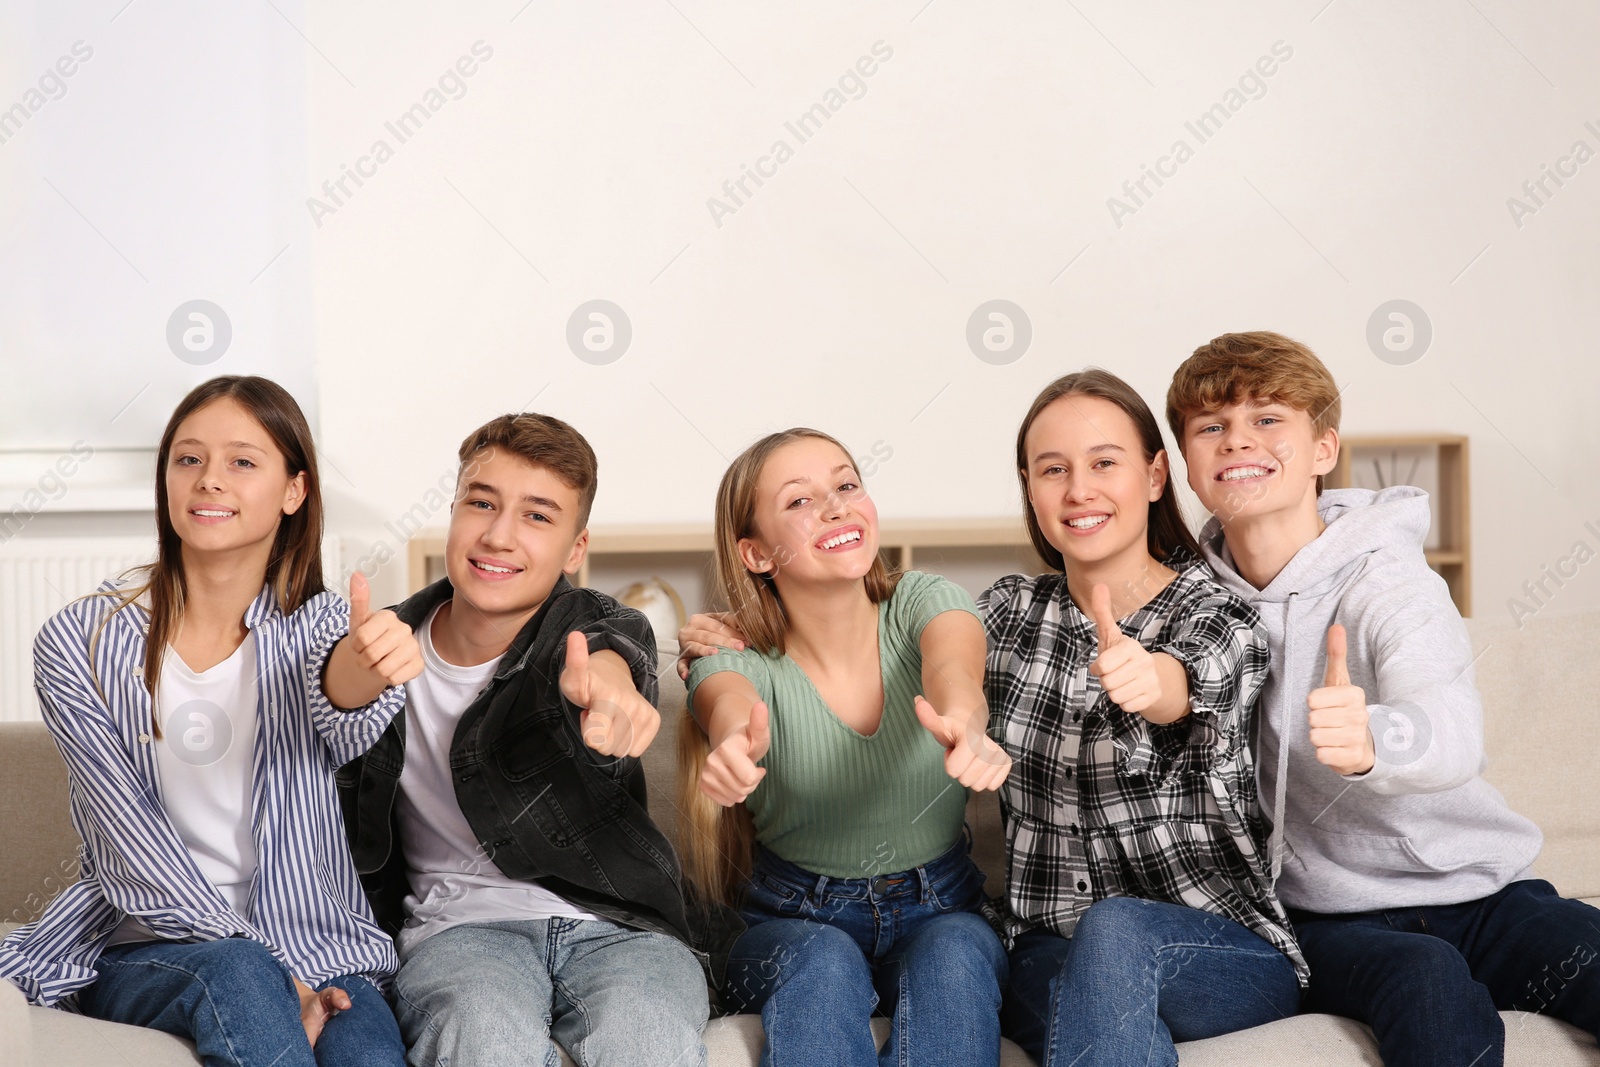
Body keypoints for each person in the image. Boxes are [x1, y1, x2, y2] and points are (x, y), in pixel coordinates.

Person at [1166, 330, 1600, 1067]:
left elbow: (1455, 727)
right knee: (1427, 981)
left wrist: (1376, 738)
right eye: (1212, 426)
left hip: (1484, 892)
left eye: (1268, 418)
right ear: (1189, 465)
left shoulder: (1388, 581)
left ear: (1325, 448)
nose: (1238, 438)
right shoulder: (1190, 607)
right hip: (1330, 917)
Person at [0, 376, 407, 1067]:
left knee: (366, 1054)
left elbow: (340, 706)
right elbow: (130, 848)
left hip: (320, 944)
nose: (209, 480)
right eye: (188, 459)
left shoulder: (325, 629)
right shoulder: (78, 642)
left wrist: (362, 676)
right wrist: (279, 975)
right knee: (243, 974)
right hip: (145, 946)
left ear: (294, 491)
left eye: (242, 462)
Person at [327, 413, 738, 1067]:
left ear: (576, 548)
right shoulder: (386, 647)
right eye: (481, 502)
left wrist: (611, 695)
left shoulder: (594, 626)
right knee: (484, 1041)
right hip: (459, 933)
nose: (499, 534)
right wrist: (347, 674)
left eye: (538, 516)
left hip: (620, 927)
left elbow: (612, 656)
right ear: (454, 509)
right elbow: (329, 729)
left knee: (650, 1044)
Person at [678, 427, 1012, 1067]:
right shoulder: (737, 653)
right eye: (799, 502)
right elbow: (723, 700)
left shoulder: (923, 601)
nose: (834, 507)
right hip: (790, 917)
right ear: (755, 554)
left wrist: (966, 722)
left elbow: (955, 672)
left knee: (955, 957)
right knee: (824, 962)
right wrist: (729, 747)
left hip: (940, 903)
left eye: (846, 484)